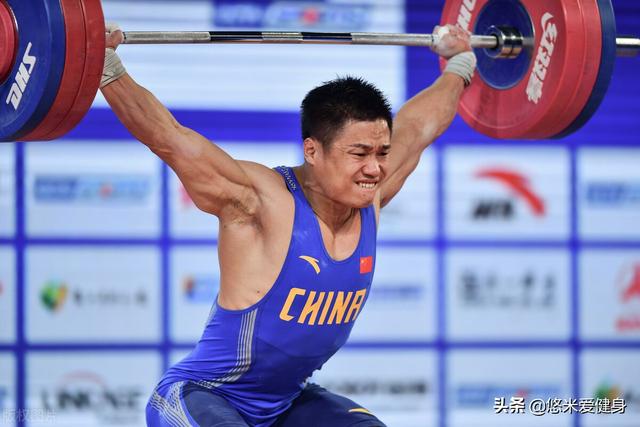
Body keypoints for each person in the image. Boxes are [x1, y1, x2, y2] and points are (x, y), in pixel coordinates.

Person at [101, 21, 475, 427]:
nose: (374, 168)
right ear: (312, 150)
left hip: (284, 404)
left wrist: (460, 64)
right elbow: (169, 138)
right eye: (359, 153)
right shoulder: (259, 201)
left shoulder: (372, 193)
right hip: (204, 394)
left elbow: (418, 127)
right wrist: (104, 65)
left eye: (382, 152)